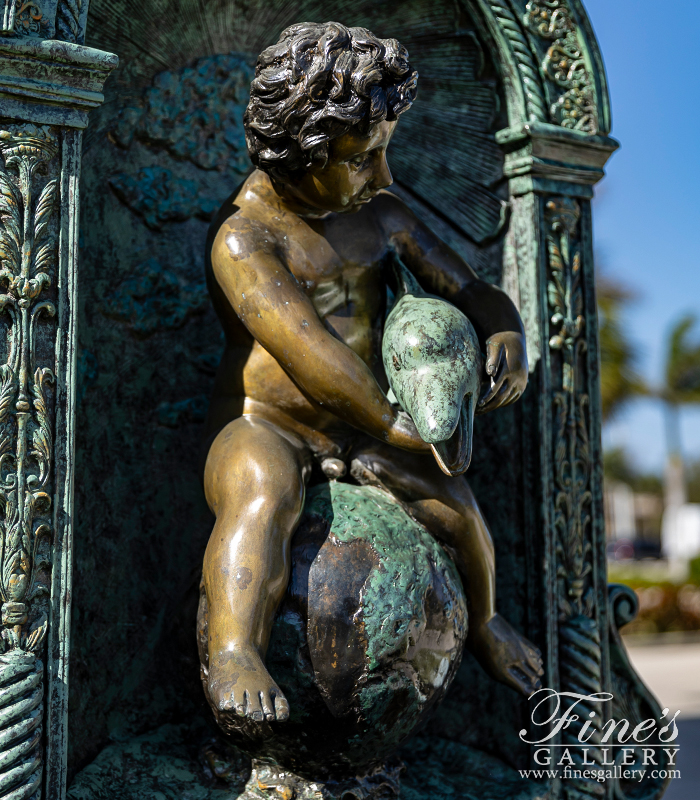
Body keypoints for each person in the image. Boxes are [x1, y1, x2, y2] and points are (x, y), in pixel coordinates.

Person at [201, 21, 543, 725]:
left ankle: (483, 622)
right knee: (260, 496)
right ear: (302, 151)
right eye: (363, 159)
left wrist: (503, 328)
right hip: (269, 424)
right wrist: (394, 422)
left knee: (462, 512)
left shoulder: (382, 216)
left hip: (368, 431)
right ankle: (236, 649)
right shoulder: (244, 238)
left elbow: (466, 288)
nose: (383, 177)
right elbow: (309, 352)